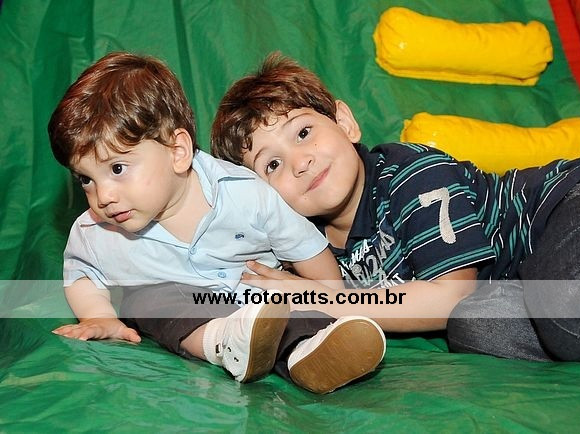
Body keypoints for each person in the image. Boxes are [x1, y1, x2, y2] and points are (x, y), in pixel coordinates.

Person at [210, 52, 580, 363]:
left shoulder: (412, 174)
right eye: (272, 165)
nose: (300, 162)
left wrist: (320, 298)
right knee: (476, 327)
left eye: (303, 132)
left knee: (568, 313)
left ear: (345, 123)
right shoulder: (303, 248)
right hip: (520, 286)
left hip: (572, 201)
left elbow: (450, 295)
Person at [47, 51, 386, 394]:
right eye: (86, 179)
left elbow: (307, 250)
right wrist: (99, 316)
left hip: (263, 302)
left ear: (177, 152)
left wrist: (328, 299)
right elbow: (83, 274)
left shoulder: (246, 194)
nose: (103, 195)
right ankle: (224, 343)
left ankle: (309, 355)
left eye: (117, 169)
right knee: (145, 299)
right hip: (188, 313)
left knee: (291, 307)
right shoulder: (96, 231)